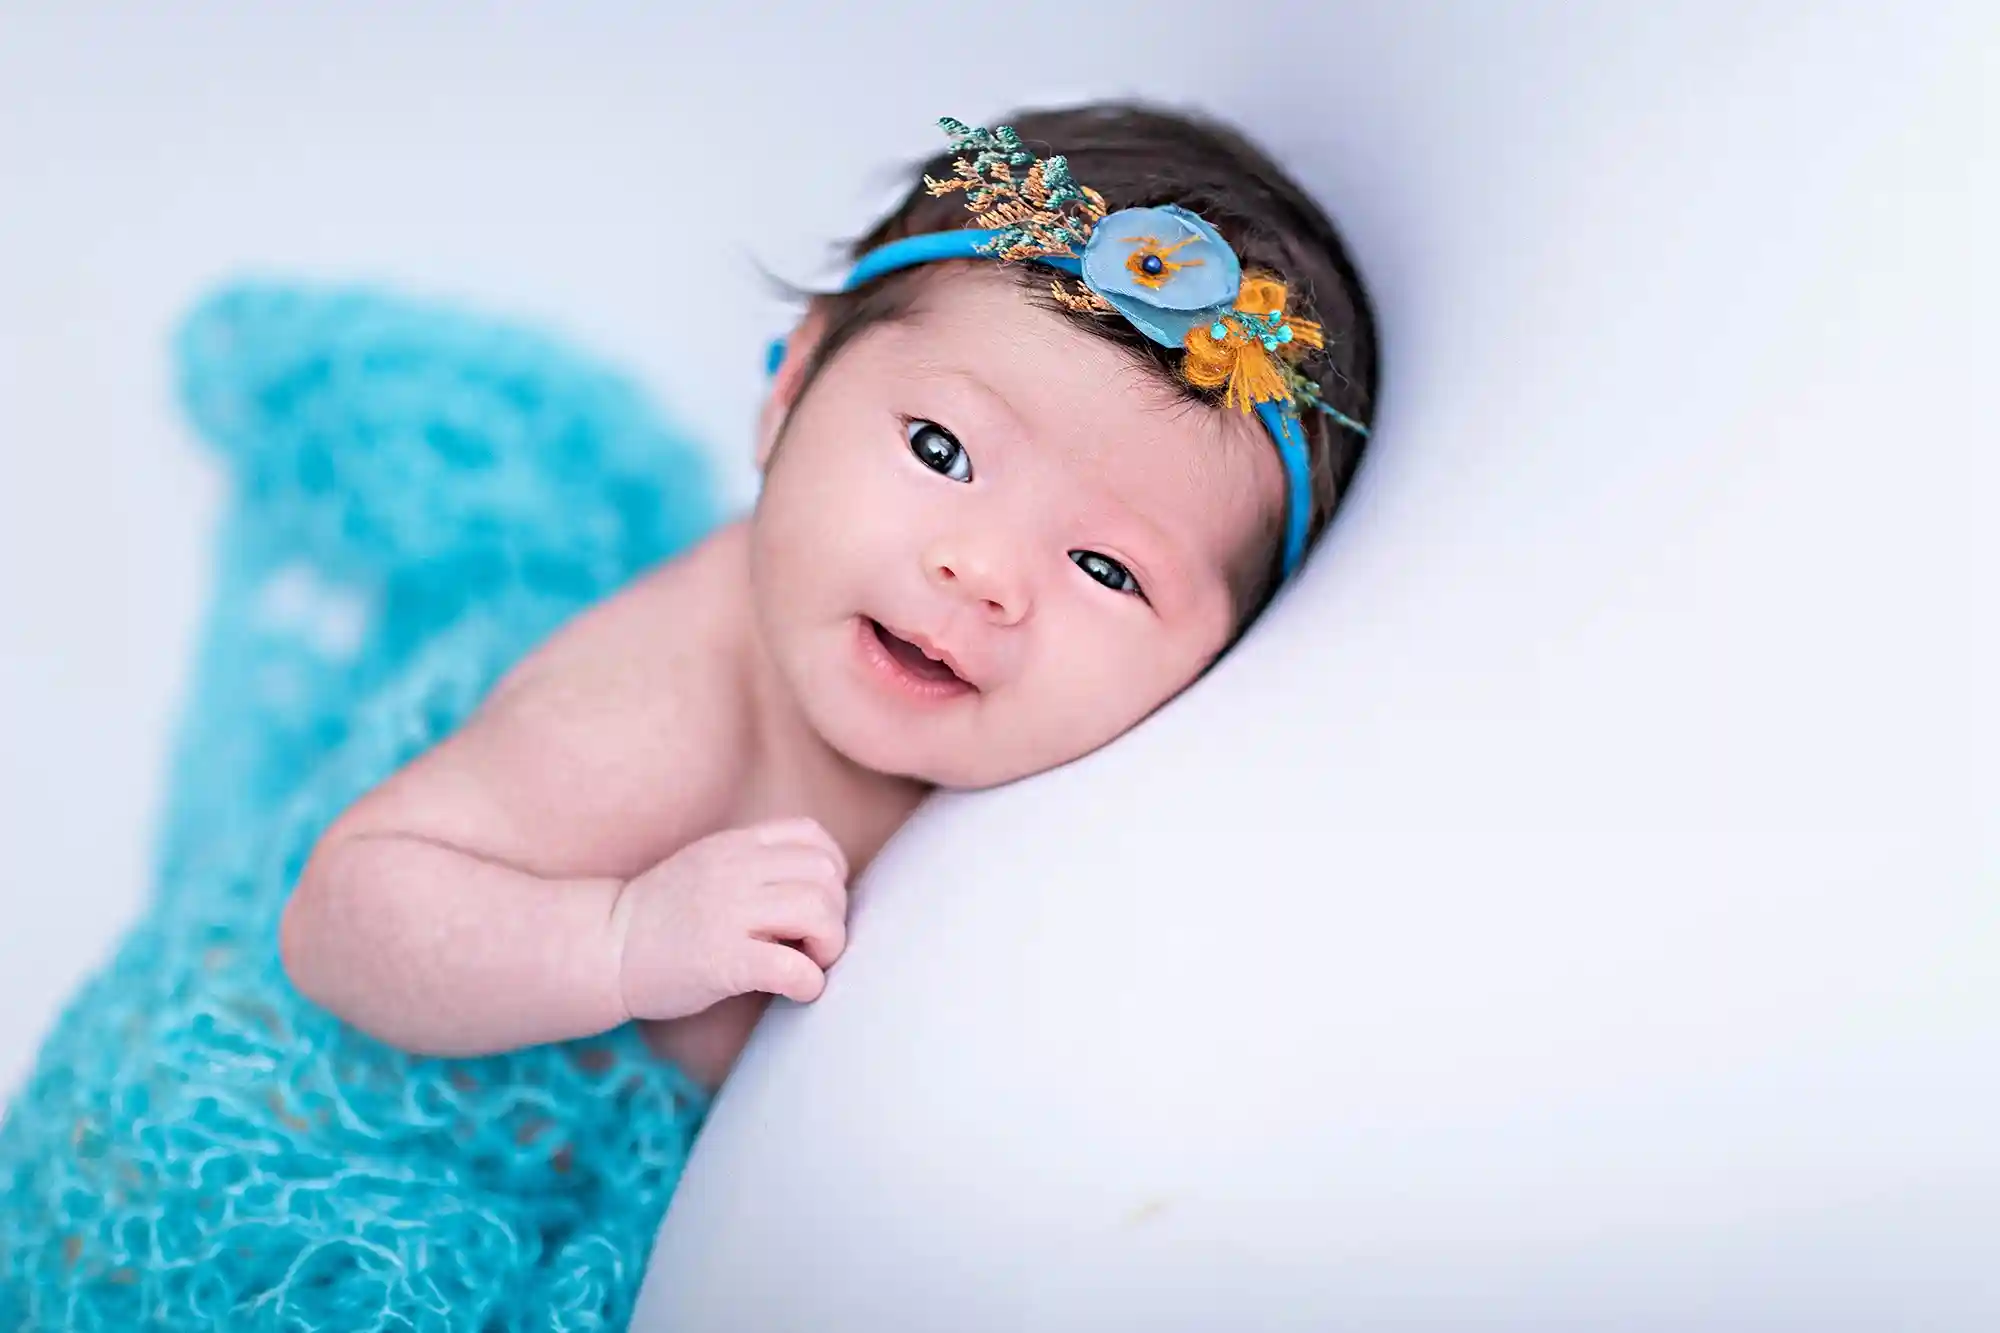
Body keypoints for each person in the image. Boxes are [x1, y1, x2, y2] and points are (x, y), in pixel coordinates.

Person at [280, 104, 1379, 1091]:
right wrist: (619, 941)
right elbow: (341, 916)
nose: (981, 572)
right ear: (790, 389)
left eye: (1105, 569)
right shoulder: (651, 719)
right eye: (941, 449)